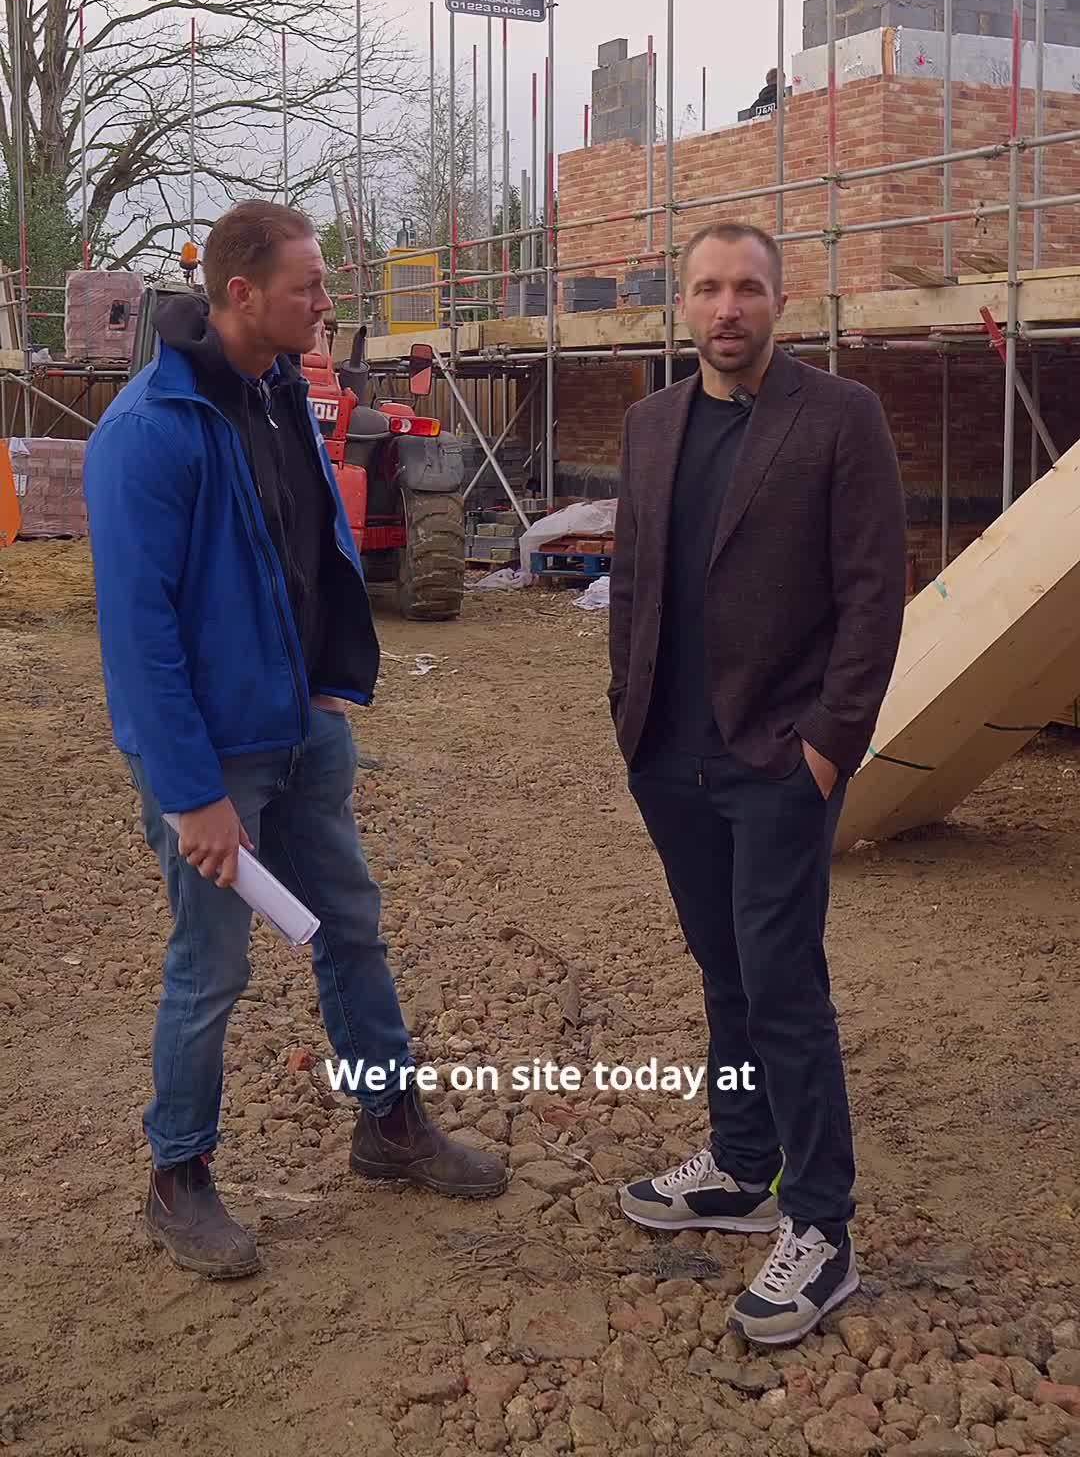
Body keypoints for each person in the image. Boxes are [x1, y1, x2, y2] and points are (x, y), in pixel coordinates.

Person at [84, 200, 506, 1280]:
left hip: (303, 733)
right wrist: (190, 797)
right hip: (216, 764)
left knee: (351, 929)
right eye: (310, 287)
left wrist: (327, 690)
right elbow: (139, 641)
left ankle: (388, 1124)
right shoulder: (149, 432)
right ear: (241, 294)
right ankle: (178, 1178)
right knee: (211, 966)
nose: (328, 303)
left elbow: (305, 555)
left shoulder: (281, 396)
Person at [607, 220, 906, 1345]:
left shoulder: (839, 418)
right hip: (668, 757)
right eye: (706, 290)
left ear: (780, 301)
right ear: (682, 307)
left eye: (747, 289)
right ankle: (740, 1167)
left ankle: (820, 1229)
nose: (726, 308)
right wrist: (624, 715)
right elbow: (632, 578)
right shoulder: (648, 426)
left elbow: (876, 591)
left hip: (779, 758)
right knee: (722, 964)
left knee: (781, 980)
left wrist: (830, 741)